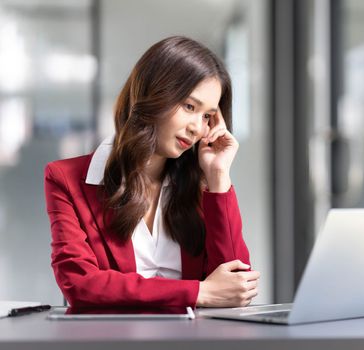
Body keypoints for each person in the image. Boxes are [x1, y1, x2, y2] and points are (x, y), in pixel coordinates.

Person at [44, 36, 259, 308]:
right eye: (189, 106)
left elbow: (237, 285)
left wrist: (218, 176)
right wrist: (198, 293)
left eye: (207, 116)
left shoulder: (202, 184)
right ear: (153, 95)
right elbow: (80, 284)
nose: (196, 127)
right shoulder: (66, 178)